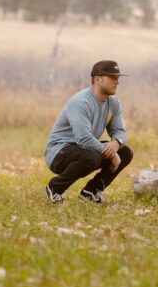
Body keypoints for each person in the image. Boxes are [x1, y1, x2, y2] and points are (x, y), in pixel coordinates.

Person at [44, 59, 134, 204]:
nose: (117, 82)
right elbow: (83, 138)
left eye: (117, 78)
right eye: (112, 78)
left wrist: (116, 143)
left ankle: (91, 192)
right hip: (59, 152)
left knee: (125, 153)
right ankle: (54, 188)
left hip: (83, 149)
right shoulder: (81, 102)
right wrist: (111, 154)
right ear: (97, 79)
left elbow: (119, 131)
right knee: (91, 158)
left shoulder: (114, 102)